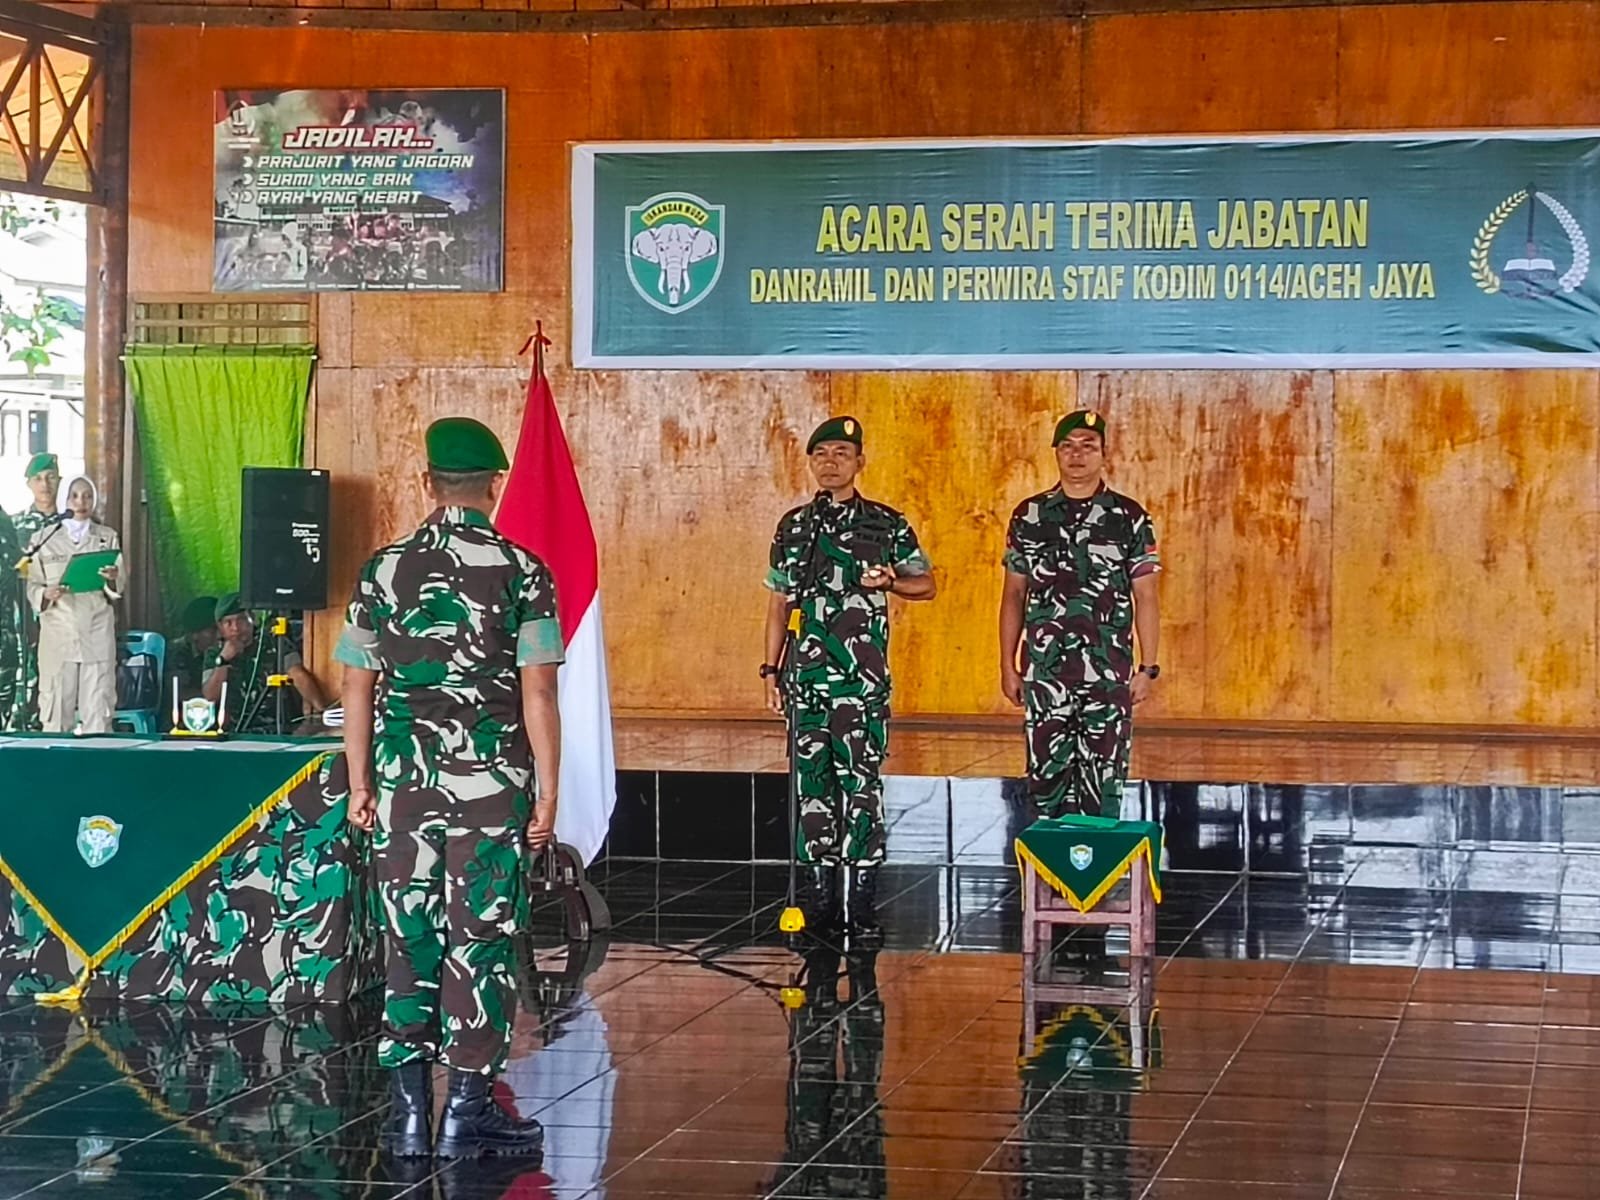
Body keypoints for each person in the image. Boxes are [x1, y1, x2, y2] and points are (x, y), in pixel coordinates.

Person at [337, 416, 564, 1159]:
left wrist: (360, 783)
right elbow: (538, 693)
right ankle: (468, 1108)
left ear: (427, 482)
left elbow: (357, 685)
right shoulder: (524, 570)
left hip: (402, 787)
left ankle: (408, 1114)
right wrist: (548, 792)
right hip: (492, 788)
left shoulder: (383, 570)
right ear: (494, 485)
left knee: (409, 934)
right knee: (481, 940)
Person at [763, 416, 935, 939]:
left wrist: (892, 582)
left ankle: (860, 897)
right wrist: (770, 669)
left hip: (860, 684)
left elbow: (926, 584)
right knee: (812, 786)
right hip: (806, 680)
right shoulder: (795, 526)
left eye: (841, 453)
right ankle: (819, 895)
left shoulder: (885, 523)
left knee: (861, 784)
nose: (831, 462)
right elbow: (778, 604)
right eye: (821, 454)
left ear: (860, 462)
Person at [999, 410, 1161, 819]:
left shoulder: (1129, 517)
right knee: (1045, 783)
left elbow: (1146, 595)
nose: (1077, 455)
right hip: (1045, 672)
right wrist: (1007, 665)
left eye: (1088, 446)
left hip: (1107, 675)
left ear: (1104, 454)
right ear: (1056, 453)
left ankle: (1097, 862)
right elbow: (1014, 593)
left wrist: (1148, 668)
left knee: (1103, 784)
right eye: (1068, 446)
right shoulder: (1029, 516)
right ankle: (1050, 862)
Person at [26, 476, 120, 735]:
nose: (81, 502)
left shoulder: (107, 537)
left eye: (88, 496)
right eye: (75, 496)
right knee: (56, 712)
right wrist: (46, 593)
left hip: (96, 630)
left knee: (99, 712)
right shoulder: (43, 539)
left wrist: (113, 577)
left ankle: (97, 760)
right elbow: (32, 585)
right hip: (58, 633)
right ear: (64, 500)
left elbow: (118, 587)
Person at [202, 594, 329, 731]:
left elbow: (297, 674)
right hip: (234, 732)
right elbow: (210, 697)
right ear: (220, 627)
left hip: (276, 729)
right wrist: (223, 660)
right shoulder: (214, 653)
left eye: (241, 619)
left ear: (252, 618)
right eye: (228, 623)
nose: (236, 628)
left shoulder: (273, 641)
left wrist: (323, 712)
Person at [9, 452, 60, 731]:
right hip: (23, 617)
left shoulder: (71, 524)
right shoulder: (13, 526)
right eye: (38, 479)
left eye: (50, 477)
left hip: (63, 615)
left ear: (59, 480)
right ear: (28, 484)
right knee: (22, 678)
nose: (45, 484)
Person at [168, 595, 218, 698]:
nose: (220, 635)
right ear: (194, 634)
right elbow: (180, 693)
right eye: (213, 630)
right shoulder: (175, 654)